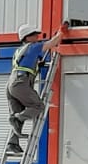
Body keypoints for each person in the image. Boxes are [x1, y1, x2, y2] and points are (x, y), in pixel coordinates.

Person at [7, 23, 64, 153]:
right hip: (21, 82)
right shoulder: (34, 47)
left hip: (12, 84)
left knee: (19, 113)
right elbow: (53, 42)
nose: (38, 37)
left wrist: (38, 64)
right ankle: (17, 118)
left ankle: (13, 142)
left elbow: (26, 63)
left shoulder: (20, 50)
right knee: (38, 106)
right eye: (34, 35)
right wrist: (62, 30)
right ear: (27, 38)